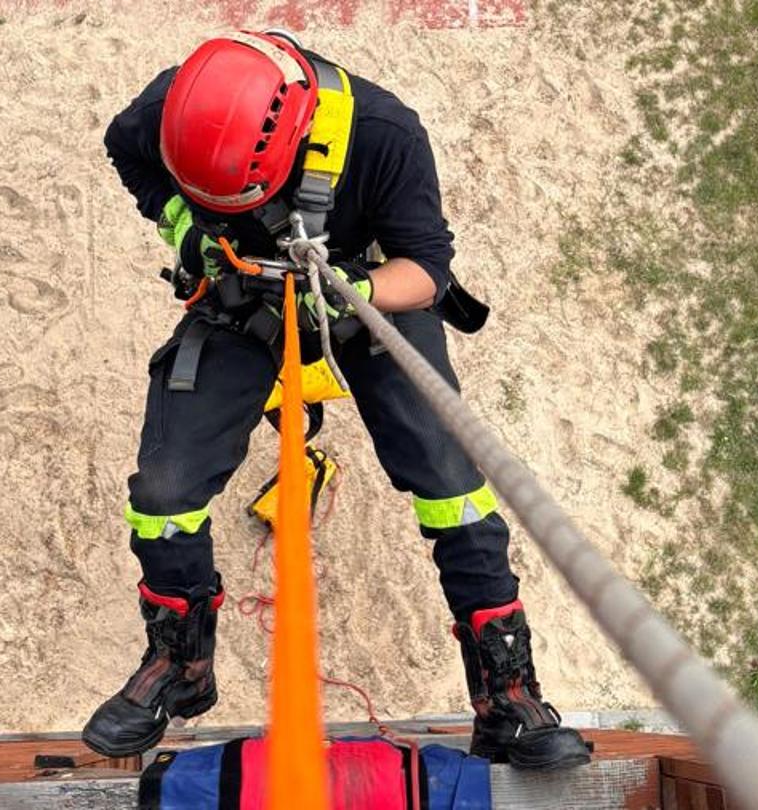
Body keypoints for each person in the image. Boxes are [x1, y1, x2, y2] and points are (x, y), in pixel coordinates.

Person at [81, 30, 591, 772]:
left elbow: (428, 269)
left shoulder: (384, 135)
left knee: (451, 484)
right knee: (163, 491)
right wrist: (190, 226)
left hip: (366, 290)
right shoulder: (172, 108)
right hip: (239, 288)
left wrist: (348, 296)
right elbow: (125, 152)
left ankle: (507, 696)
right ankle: (182, 667)